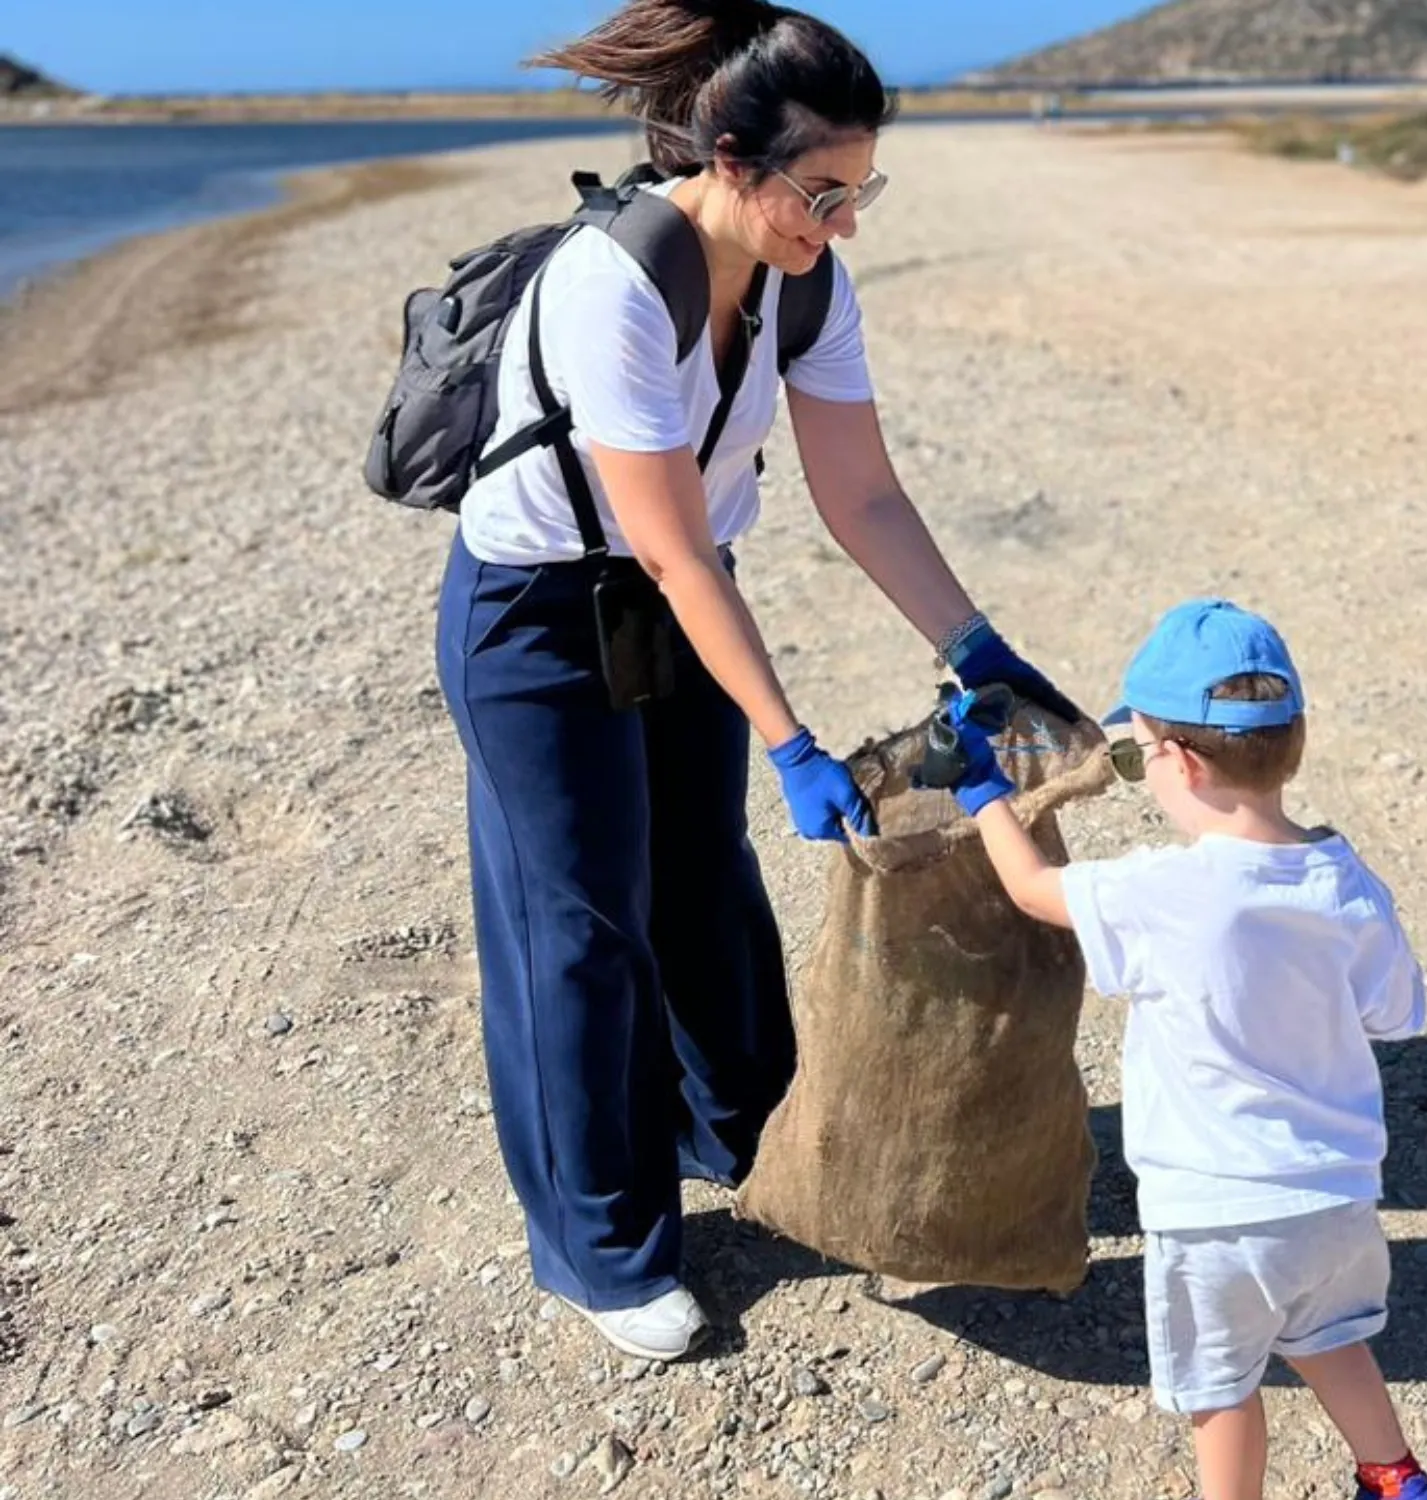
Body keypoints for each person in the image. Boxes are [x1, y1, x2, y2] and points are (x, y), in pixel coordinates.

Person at [434, 0, 1075, 1364]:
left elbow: (863, 494)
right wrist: (790, 739)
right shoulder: (613, 285)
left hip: (682, 600)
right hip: (536, 618)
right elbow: (667, 546)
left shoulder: (809, 284)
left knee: (702, 879)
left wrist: (975, 648)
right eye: (821, 194)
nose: (841, 224)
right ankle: (601, 1248)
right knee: (578, 924)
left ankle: (747, 1140)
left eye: (861, 193)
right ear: (730, 161)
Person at [941, 599, 1427, 1500]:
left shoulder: (1163, 891)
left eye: (1136, 757)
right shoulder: (1345, 880)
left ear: (1181, 762)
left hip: (1215, 1217)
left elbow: (1033, 887)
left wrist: (979, 790)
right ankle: (1396, 1479)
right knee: (1331, 1338)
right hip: (1337, 1200)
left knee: (1223, 1391)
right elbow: (1397, 1014)